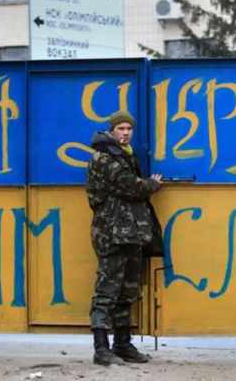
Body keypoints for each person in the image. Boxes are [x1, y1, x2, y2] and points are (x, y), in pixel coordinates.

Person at [86, 110, 163, 366]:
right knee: (106, 292)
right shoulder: (105, 158)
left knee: (127, 292)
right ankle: (101, 348)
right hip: (113, 235)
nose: (126, 133)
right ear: (111, 131)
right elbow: (130, 186)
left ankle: (122, 344)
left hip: (130, 234)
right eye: (121, 129)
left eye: (129, 129)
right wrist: (151, 184)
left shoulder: (124, 156)